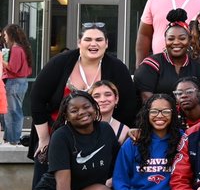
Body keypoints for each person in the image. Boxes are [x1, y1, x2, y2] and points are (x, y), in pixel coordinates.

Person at [29, 23, 136, 177]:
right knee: (50, 180)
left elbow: (128, 105)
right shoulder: (60, 62)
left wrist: (113, 135)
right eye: (88, 39)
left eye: (99, 40)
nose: (93, 44)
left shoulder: (117, 68)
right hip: (55, 132)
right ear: (79, 43)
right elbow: (37, 98)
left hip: (97, 136)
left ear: (106, 44)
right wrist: (44, 139)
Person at [29, 91, 118, 190]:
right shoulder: (61, 136)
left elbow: (118, 163)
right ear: (66, 116)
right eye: (74, 110)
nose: (82, 112)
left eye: (86, 107)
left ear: (95, 108)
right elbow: (62, 183)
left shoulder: (105, 131)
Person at [112, 95, 183, 190]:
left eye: (165, 111)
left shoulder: (182, 141)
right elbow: (120, 182)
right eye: (154, 111)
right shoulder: (133, 142)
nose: (159, 116)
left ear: (173, 113)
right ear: (147, 113)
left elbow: (183, 182)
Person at [134, 9, 200, 103]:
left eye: (182, 38)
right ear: (165, 40)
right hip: (158, 115)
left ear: (189, 40)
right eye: (171, 38)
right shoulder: (151, 65)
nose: (176, 42)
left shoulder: (198, 67)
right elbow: (146, 98)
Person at [3, 24, 32, 145]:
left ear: (11, 35)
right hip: (22, 82)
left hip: (14, 82)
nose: (4, 37)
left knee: (12, 112)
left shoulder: (15, 49)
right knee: (14, 111)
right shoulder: (23, 48)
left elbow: (13, 68)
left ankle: (13, 139)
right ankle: (11, 138)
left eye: (5, 35)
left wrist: (2, 60)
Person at [89, 80, 132, 145]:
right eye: (96, 96)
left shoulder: (124, 131)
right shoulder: (81, 125)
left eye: (108, 95)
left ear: (116, 99)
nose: (102, 100)